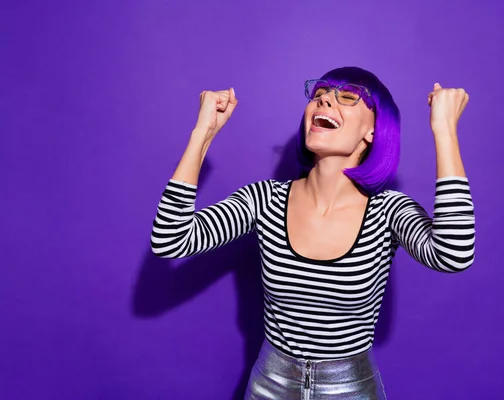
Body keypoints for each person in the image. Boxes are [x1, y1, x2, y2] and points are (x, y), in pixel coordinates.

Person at [150, 66, 475, 399]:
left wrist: (444, 130)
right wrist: (202, 134)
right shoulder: (266, 200)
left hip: (351, 389)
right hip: (269, 386)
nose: (324, 103)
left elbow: (453, 255)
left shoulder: (387, 211)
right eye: (318, 96)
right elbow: (170, 239)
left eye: (347, 98)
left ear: (374, 131)